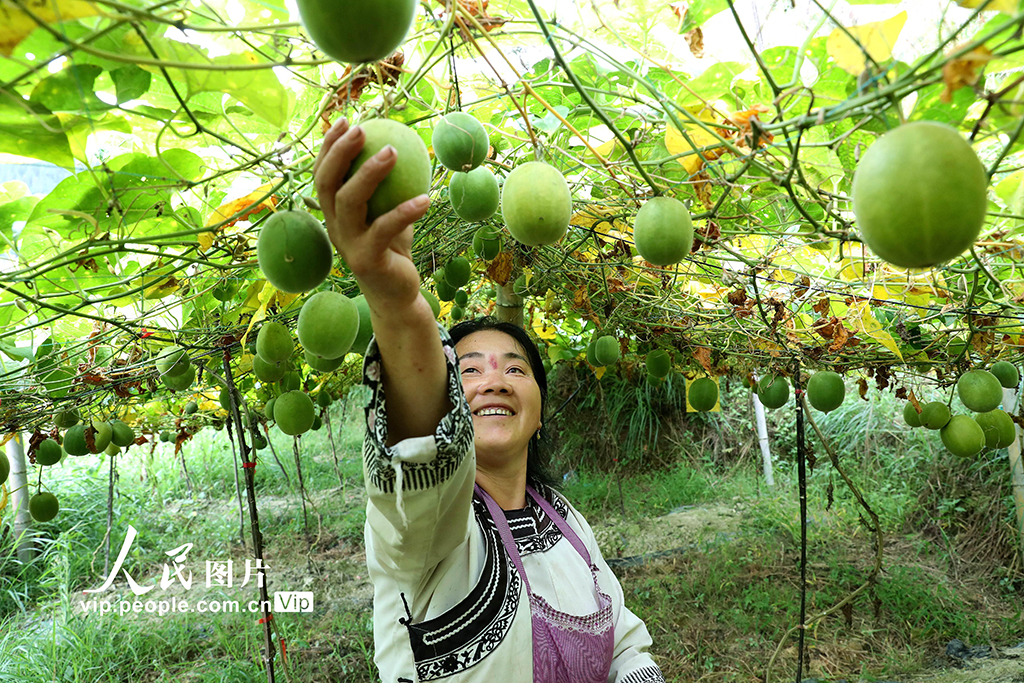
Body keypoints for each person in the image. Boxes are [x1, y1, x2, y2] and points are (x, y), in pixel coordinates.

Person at [313, 117, 665, 683]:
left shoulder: (567, 519)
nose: (494, 382)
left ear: (541, 407)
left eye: (516, 369)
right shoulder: (429, 530)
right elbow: (425, 454)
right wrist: (398, 306)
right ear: (451, 396)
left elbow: (625, 638)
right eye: (468, 371)